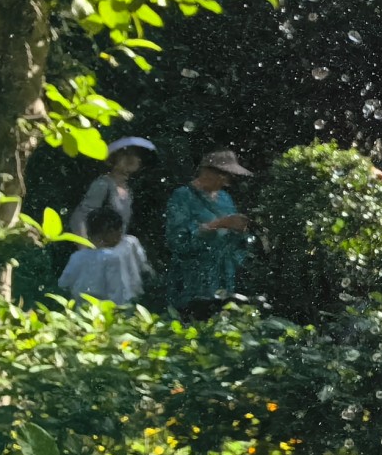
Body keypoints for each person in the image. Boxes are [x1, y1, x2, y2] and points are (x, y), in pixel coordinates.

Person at [164, 150, 252, 319]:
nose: (226, 182)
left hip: (222, 276)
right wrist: (217, 225)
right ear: (206, 171)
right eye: (223, 175)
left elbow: (234, 242)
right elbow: (177, 241)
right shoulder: (183, 196)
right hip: (192, 277)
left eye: (229, 177)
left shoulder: (225, 198)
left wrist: (239, 230)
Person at [56, 207, 149, 306]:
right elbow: (118, 293)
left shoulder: (77, 256)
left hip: (81, 311)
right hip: (105, 312)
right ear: (110, 231)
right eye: (119, 231)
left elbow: (63, 284)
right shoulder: (112, 257)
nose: (121, 236)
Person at [68, 135, 154, 239]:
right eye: (126, 154)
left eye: (136, 155)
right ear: (113, 158)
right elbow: (79, 217)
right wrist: (86, 248)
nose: (134, 159)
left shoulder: (128, 189)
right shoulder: (103, 184)